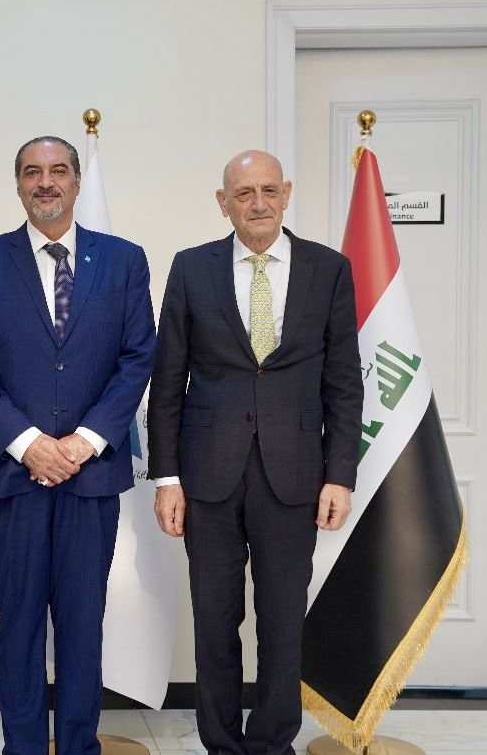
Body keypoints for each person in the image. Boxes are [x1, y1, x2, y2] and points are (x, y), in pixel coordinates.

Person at [147, 150, 363, 755]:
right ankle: (221, 743)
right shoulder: (191, 268)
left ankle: (272, 743)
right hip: (206, 476)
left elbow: (344, 381)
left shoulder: (329, 269)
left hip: (296, 475)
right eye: (244, 193)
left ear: (286, 194)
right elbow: (168, 380)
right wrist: (166, 478)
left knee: (283, 621)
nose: (258, 203)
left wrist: (340, 474)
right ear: (223, 203)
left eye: (269, 190)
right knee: (214, 621)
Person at [0, 136, 155, 755]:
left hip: (91, 475)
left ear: (75, 182)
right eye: (33, 172)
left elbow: (137, 358)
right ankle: (21, 747)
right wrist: (29, 444)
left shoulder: (123, 261)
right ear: (17, 184)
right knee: (18, 624)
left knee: (82, 625)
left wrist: (84, 443)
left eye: (58, 170)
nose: (46, 181)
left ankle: (77, 746)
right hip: (12, 476)